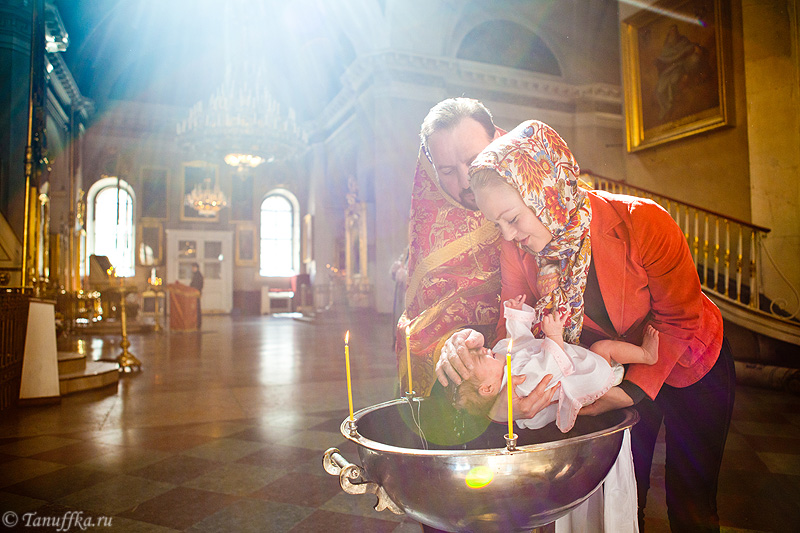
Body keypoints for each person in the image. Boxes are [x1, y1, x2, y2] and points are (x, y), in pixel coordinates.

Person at [437, 119, 736, 532]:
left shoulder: (644, 220)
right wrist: (501, 399)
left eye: (512, 218)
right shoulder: (517, 249)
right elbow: (515, 328)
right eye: (497, 224)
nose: (508, 235)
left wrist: (629, 391)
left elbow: (679, 317)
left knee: (692, 503)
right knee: (625, 492)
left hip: (691, 363)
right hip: (613, 372)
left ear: (546, 192)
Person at [395, 98, 505, 396]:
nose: (466, 180)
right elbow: (420, 327)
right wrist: (450, 346)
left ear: (496, 141)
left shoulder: (537, 201)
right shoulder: (434, 235)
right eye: (447, 171)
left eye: (474, 160)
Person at [451, 295, 659, 433]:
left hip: (579, 372)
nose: (482, 349)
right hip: (591, 379)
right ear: (487, 388)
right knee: (602, 348)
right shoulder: (520, 384)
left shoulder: (501, 363)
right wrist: (554, 336)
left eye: (476, 351)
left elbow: (520, 340)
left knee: (599, 349)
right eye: (479, 357)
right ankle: (647, 355)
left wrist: (515, 315)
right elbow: (551, 368)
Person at [190, 262, 204, 329]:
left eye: (194, 267)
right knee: (196, 308)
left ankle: (197, 322)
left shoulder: (198, 275)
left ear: (197, 268)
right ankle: (197, 322)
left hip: (196, 294)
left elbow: (197, 285)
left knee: (197, 308)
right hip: (195, 293)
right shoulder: (196, 275)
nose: (193, 269)